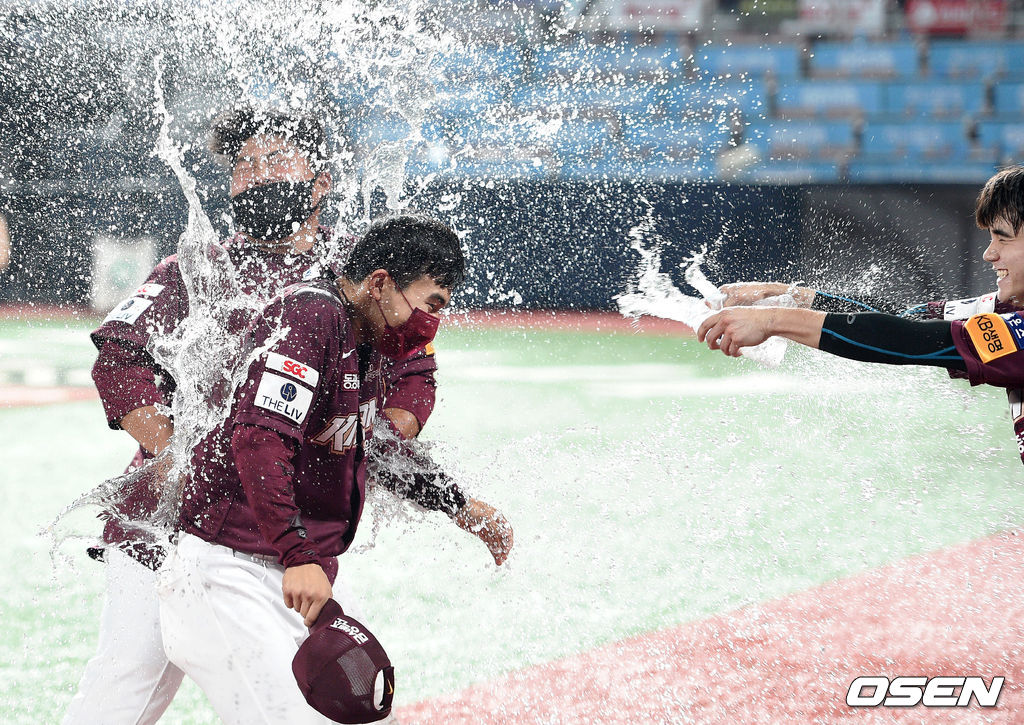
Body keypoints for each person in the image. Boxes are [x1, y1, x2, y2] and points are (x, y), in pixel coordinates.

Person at [65, 106, 511, 724]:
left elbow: (409, 388)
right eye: (241, 166)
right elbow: (119, 358)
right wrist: (182, 460)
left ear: (321, 179)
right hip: (169, 527)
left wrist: (363, 448)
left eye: (274, 159)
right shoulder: (199, 267)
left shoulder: (359, 281)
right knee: (126, 691)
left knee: (312, 694)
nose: (255, 176)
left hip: (279, 533)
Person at [157, 213, 465, 722]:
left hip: (278, 572)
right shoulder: (312, 316)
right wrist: (299, 555)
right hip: (229, 568)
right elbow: (258, 442)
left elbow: (378, 445)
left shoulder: (366, 339)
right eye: (430, 303)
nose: (431, 322)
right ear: (380, 283)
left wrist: (460, 504)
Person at [697, 167, 1024, 458]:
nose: (988, 253)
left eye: (1003, 239)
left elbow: (910, 341)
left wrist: (772, 321)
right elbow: (910, 319)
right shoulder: (1009, 308)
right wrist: (785, 296)